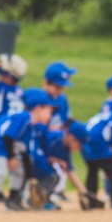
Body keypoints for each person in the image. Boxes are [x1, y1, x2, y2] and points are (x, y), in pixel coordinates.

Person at [0, 88, 56, 211]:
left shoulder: (31, 125)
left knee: (20, 170)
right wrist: (11, 157)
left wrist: (31, 178)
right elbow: (8, 136)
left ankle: (13, 200)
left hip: (5, 146)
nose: (50, 116)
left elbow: (25, 153)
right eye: (49, 111)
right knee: (0, 172)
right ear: (38, 108)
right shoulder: (23, 117)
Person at [30, 121, 90, 210]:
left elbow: (70, 171)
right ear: (71, 138)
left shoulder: (65, 147)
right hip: (30, 161)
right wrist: (57, 161)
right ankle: (34, 199)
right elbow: (38, 153)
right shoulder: (54, 139)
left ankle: (44, 199)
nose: (79, 149)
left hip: (40, 164)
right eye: (79, 145)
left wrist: (84, 192)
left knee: (55, 175)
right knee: (53, 176)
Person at [42, 61, 77, 203]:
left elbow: (66, 119)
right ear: (45, 82)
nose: (60, 90)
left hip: (58, 138)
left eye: (62, 87)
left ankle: (58, 190)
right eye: (57, 87)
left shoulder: (62, 99)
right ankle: (44, 192)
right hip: (43, 139)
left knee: (63, 163)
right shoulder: (40, 99)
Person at [0, 54, 26, 119]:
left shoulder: (1, 87)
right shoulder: (19, 90)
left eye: (2, 74)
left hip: (1, 122)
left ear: (9, 77)